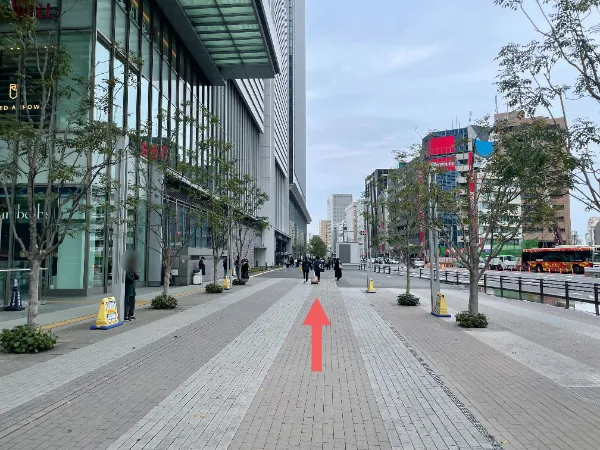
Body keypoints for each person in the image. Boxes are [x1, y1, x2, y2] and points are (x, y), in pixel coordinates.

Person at [124, 256, 139, 321]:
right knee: (127, 302)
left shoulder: (133, 269)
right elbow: (128, 278)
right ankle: (126, 315)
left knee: (132, 302)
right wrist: (134, 277)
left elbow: (136, 277)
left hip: (132, 289)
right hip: (128, 288)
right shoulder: (127, 269)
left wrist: (136, 275)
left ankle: (131, 314)